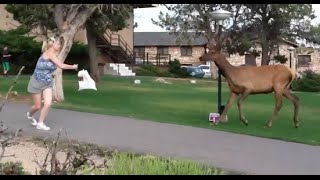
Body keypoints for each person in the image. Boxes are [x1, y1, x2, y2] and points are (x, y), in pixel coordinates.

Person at [26, 37, 78, 131]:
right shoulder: (49, 53)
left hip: (47, 83)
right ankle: (29, 114)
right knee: (37, 106)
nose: (59, 45)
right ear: (52, 45)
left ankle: (40, 123)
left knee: (48, 103)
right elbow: (61, 65)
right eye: (58, 44)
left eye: (60, 44)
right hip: (36, 82)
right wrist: (73, 67)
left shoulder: (54, 54)